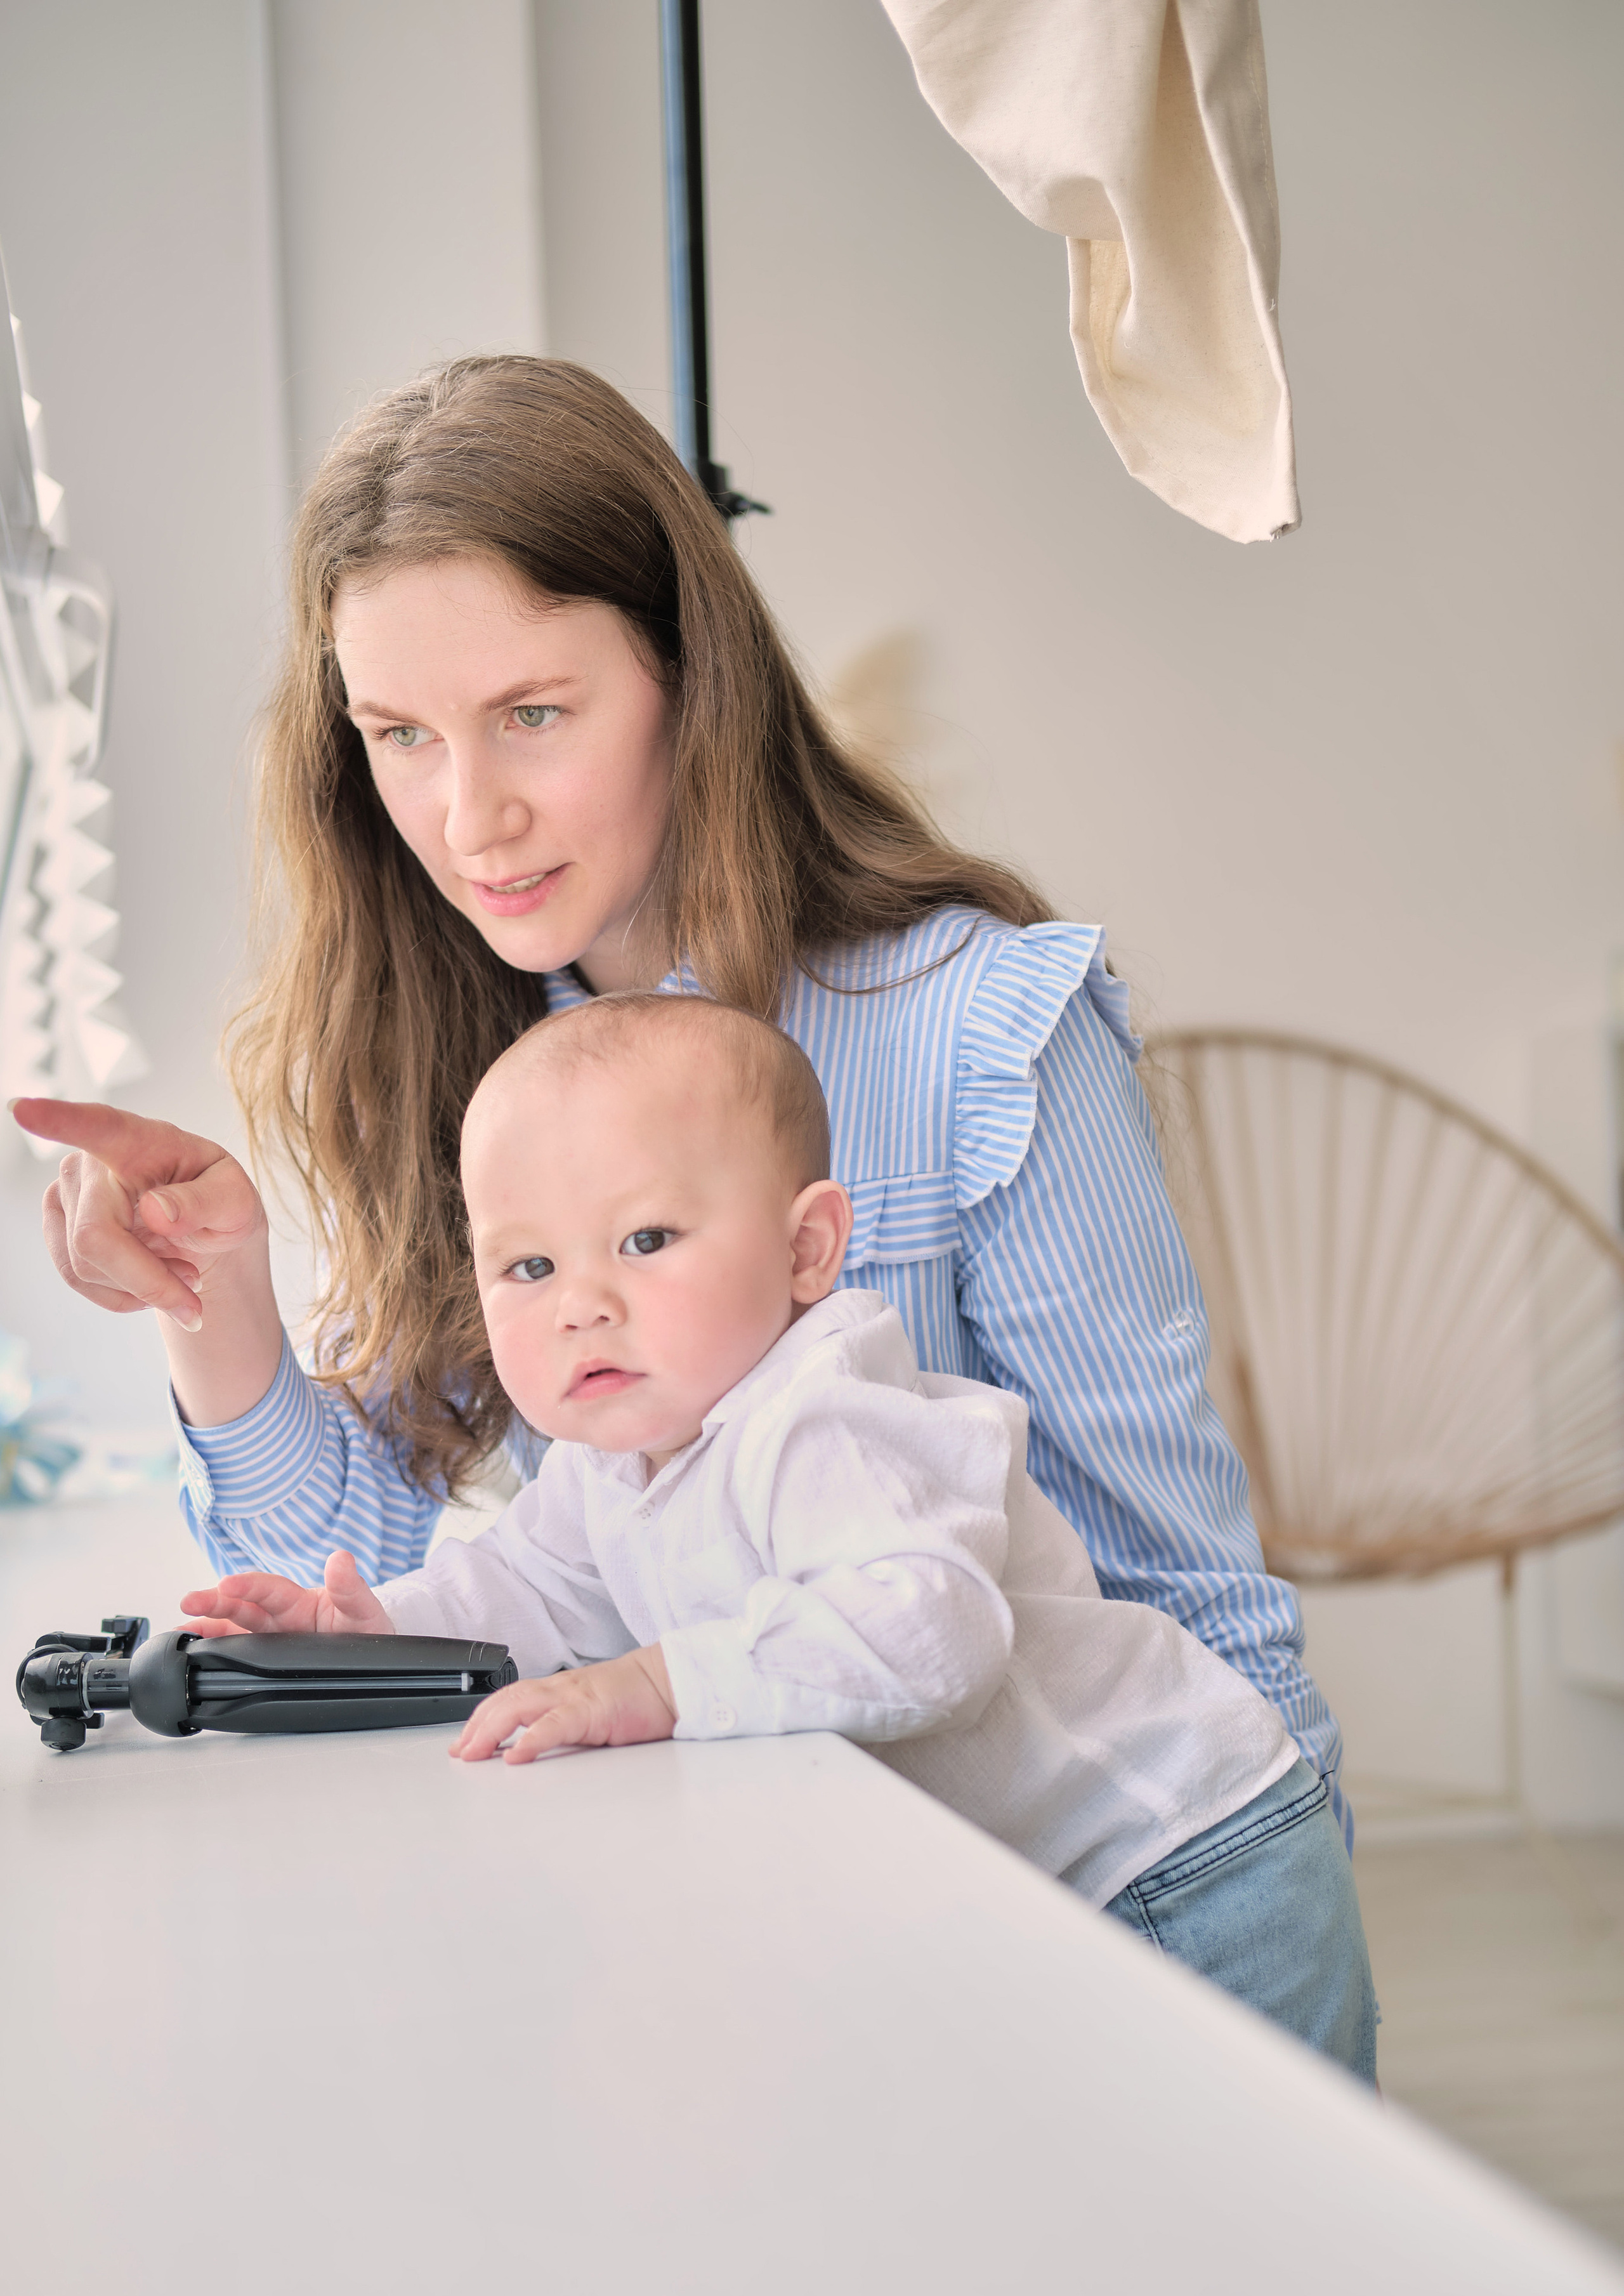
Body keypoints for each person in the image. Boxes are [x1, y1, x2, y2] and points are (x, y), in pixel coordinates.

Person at [11, 354, 1346, 1832]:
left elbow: (1189, 1603)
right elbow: (359, 1594)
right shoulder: (466, 1054)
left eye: (532, 712)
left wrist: (1270, 1964)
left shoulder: (981, 1034)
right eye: (401, 734)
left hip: (1082, 1885)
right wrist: (210, 1292)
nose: (469, 818)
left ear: (687, 678)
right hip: (763, 1886)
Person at [179, 995, 1376, 2078]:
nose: (582, 1303)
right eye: (528, 1264)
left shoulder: (825, 1414)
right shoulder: (615, 1457)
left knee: (1258, 2210)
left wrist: (658, 1681)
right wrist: (373, 1627)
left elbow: (933, 1635)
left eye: (646, 1240)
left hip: (1182, 1862)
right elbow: (524, 1586)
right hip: (1041, 1882)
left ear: (806, 1249)